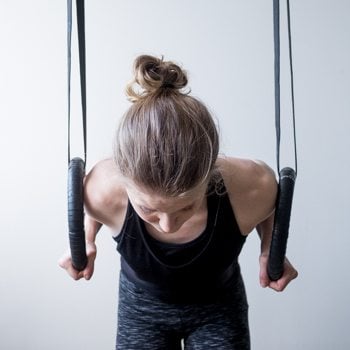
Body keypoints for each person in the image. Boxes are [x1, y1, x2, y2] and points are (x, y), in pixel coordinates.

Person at [59, 55, 298, 350]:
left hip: (219, 309)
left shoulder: (253, 187)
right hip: (141, 311)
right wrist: (87, 239)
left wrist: (268, 248)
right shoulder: (101, 191)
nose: (168, 225)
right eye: (149, 209)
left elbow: (269, 204)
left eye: (186, 206)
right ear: (123, 185)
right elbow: (94, 205)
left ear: (211, 177)